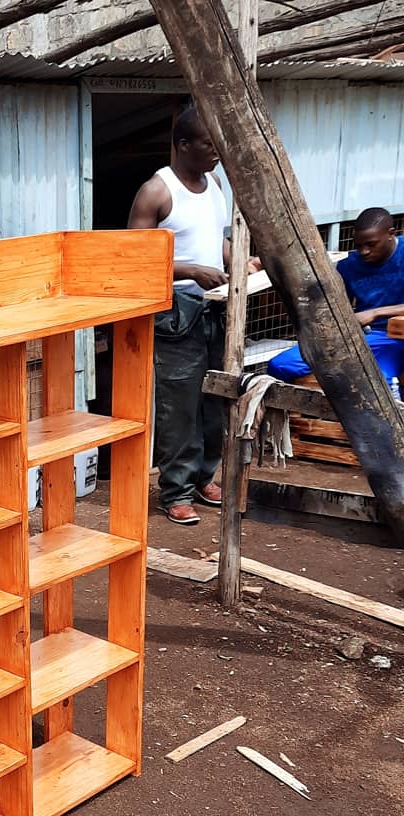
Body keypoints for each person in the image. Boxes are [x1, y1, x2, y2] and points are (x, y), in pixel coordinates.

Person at [128, 106, 245, 526]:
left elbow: (218, 243)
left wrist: (238, 261)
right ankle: (175, 490)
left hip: (215, 309)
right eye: (209, 145)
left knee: (215, 400)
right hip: (178, 311)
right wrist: (191, 271)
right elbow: (133, 260)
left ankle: (203, 477)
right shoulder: (156, 192)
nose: (217, 154)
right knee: (179, 406)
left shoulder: (214, 184)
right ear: (183, 145)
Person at [267, 207, 404, 396]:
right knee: (280, 365)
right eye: (359, 245)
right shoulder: (349, 265)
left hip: (397, 337)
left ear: (391, 234)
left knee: (382, 380)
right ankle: (284, 420)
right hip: (361, 335)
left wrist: (374, 313)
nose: (364, 251)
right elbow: (337, 307)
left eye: (371, 244)